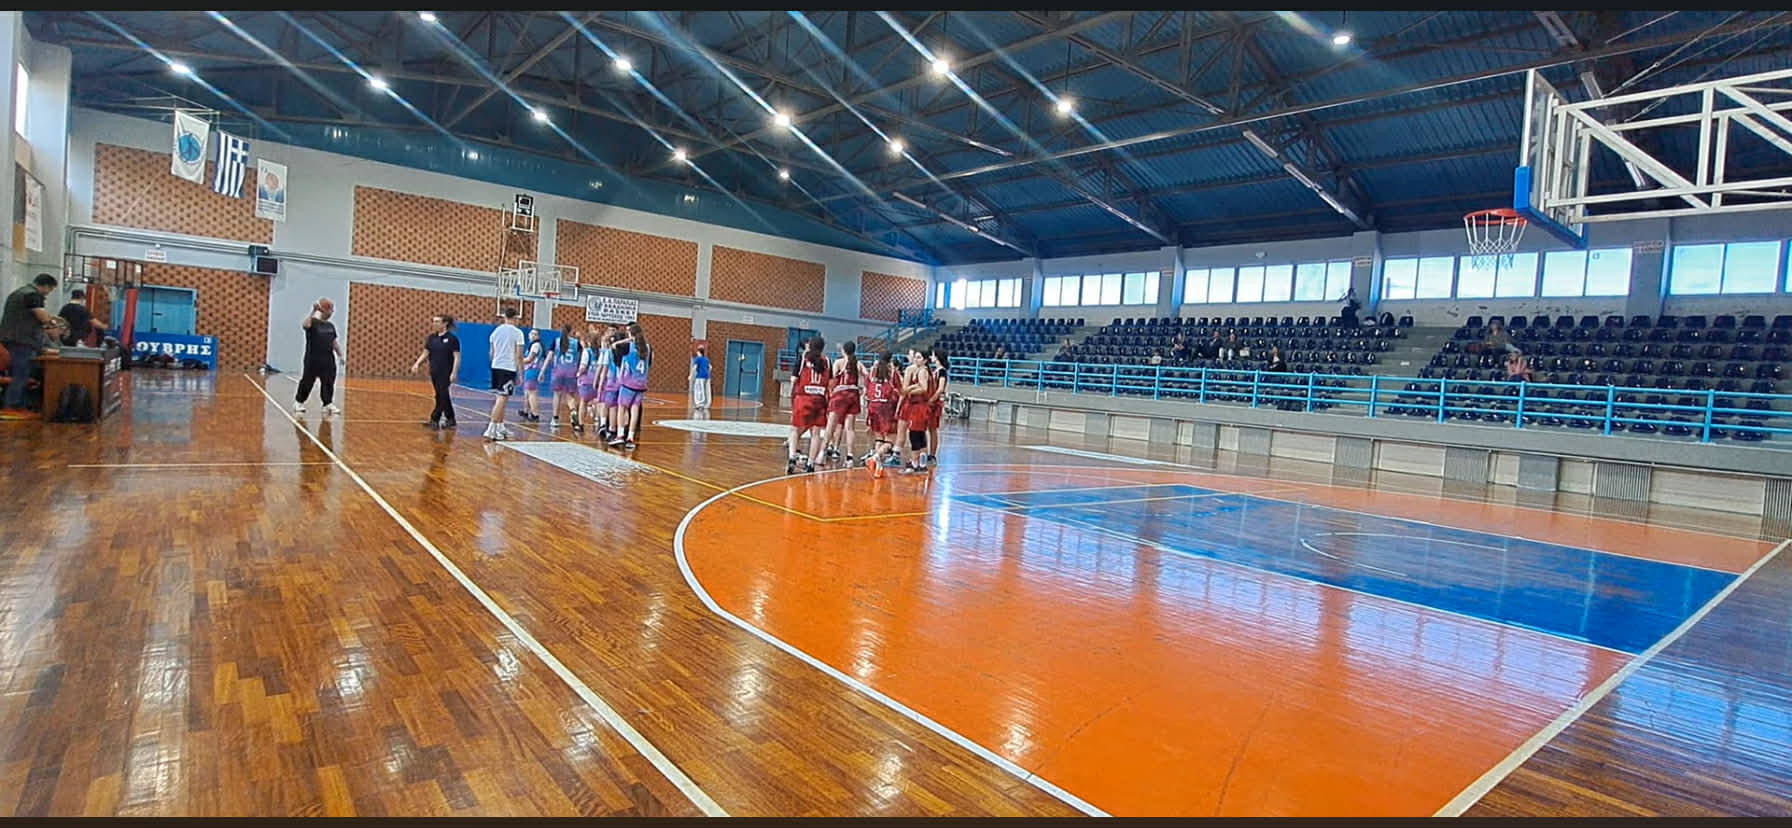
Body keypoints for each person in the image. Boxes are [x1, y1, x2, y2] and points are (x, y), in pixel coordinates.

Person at [1, 273, 59, 418]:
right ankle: (11, 406)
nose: (48, 293)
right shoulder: (33, 295)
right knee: (21, 374)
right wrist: (53, 324)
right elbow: (42, 316)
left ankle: (18, 405)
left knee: (19, 373)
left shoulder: (18, 293)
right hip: (22, 340)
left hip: (12, 338)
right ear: (45, 286)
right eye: (50, 290)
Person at [787, 336, 831, 474]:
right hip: (819, 399)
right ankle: (811, 463)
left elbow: (794, 379)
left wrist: (792, 395)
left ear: (810, 346)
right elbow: (830, 383)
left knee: (794, 429)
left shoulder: (803, 359)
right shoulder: (827, 361)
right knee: (816, 433)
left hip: (803, 398)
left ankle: (792, 456)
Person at [410, 313, 461, 430]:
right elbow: (426, 353)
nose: (434, 324)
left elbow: (457, 357)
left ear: (445, 324)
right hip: (434, 371)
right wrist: (417, 364)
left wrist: (454, 372)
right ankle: (451, 418)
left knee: (441, 395)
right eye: (433, 321)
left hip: (446, 372)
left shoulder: (452, 339)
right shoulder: (432, 338)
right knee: (442, 395)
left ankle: (435, 418)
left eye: (437, 322)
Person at [294, 298, 343, 415]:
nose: (331, 313)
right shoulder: (313, 322)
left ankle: (327, 404)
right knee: (308, 381)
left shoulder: (330, 326)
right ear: (323, 311)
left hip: (328, 359)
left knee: (328, 381)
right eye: (330, 310)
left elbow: (334, 342)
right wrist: (313, 311)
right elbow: (305, 325)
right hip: (313, 359)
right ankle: (299, 402)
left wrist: (340, 355)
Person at [484, 307, 525, 441]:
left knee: (501, 398)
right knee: (502, 398)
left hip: (496, 366)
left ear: (504, 317)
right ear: (516, 318)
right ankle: (491, 428)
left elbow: (491, 353)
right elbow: (519, 356)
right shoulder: (518, 333)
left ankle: (500, 427)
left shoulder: (496, 331)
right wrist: (521, 373)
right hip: (508, 368)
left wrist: (496, 363)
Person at [610, 321, 652, 449]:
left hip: (628, 383)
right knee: (634, 410)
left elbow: (614, 346)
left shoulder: (628, 346)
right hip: (641, 384)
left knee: (622, 408)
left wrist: (626, 340)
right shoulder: (648, 348)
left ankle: (620, 435)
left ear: (630, 334)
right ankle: (630, 437)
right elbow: (649, 364)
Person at [822, 340, 863, 465]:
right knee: (850, 428)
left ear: (843, 350)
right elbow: (867, 375)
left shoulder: (839, 362)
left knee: (832, 425)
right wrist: (862, 388)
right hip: (854, 395)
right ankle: (849, 456)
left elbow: (832, 378)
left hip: (840, 394)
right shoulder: (858, 363)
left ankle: (822, 452)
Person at [896, 346, 936, 474]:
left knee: (914, 435)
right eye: (916, 357)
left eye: (919, 357)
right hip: (921, 407)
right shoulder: (923, 370)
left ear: (925, 360)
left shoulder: (922, 371)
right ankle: (922, 464)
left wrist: (909, 390)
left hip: (919, 407)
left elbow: (924, 388)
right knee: (920, 435)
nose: (916, 359)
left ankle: (914, 464)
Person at [863, 351, 901, 476]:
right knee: (890, 440)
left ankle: (878, 467)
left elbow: (866, 389)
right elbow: (900, 390)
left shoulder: (872, 371)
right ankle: (875, 457)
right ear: (890, 360)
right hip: (886, 407)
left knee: (879, 438)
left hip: (873, 405)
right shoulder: (892, 372)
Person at [549, 323, 582, 431]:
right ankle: (573, 414)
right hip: (571, 372)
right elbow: (581, 358)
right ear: (571, 331)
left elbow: (549, 357)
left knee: (557, 395)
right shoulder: (576, 343)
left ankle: (555, 419)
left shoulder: (556, 341)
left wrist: (542, 371)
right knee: (570, 397)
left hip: (558, 371)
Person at [925, 348, 950, 466]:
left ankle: (932, 455)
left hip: (935, 404)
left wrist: (931, 399)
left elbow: (940, 389)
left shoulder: (942, 371)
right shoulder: (935, 371)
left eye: (933, 355)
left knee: (933, 429)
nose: (931, 357)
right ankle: (927, 453)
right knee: (928, 429)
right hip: (931, 402)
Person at [519, 328, 545, 422]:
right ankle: (526, 411)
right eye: (531, 334)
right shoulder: (532, 345)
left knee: (532, 392)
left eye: (535, 334)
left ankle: (535, 414)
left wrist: (519, 360)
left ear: (538, 336)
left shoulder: (536, 345)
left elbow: (530, 359)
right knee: (527, 392)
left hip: (532, 370)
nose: (533, 336)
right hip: (530, 370)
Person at [689, 344, 712, 411]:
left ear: (698, 352)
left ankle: (699, 404)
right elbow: (710, 367)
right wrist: (707, 372)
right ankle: (706, 404)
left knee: (699, 389)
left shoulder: (698, 358)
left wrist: (691, 375)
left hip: (700, 376)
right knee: (706, 390)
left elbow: (694, 367)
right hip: (707, 376)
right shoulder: (706, 359)